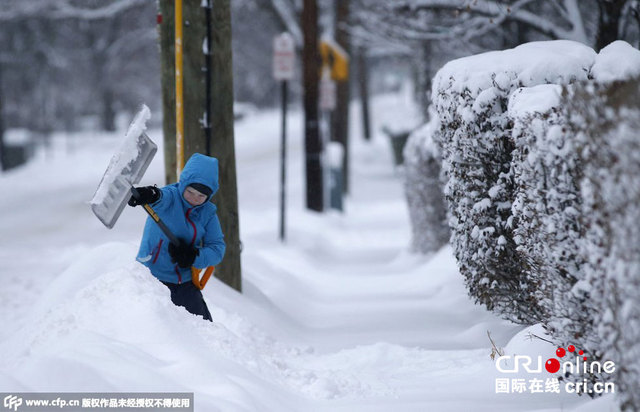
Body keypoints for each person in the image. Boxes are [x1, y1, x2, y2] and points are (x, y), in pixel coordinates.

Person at [128, 153, 225, 321]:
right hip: (151, 277)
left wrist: (194, 256)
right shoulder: (171, 197)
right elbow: (159, 197)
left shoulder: (208, 213)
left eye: (201, 196)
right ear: (183, 185)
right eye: (191, 192)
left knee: (204, 330)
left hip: (184, 282)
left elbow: (217, 248)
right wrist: (150, 194)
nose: (195, 199)